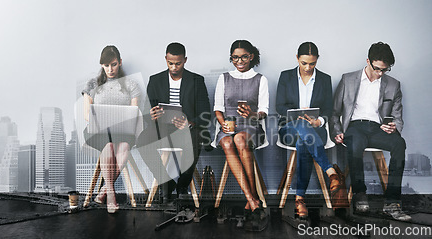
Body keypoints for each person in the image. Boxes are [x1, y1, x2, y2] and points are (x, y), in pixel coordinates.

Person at [330, 42, 411, 221]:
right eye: (377, 68)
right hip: (354, 126)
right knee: (356, 144)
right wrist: (336, 131)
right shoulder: (348, 79)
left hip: (377, 128)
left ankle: (392, 202)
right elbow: (334, 113)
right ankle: (360, 193)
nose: (380, 73)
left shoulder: (393, 85)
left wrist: (394, 126)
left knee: (400, 143)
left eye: (385, 70)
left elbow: (398, 117)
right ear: (368, 61)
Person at [276, 42, 345, 219]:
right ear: (297, 58)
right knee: (300, 127)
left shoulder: (325, 79)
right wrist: (296, 117)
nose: (308, 67)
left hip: (315, 130)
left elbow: (329, 110)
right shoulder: (285, 76)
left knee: (304, 140)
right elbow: (279, 106)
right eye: (304, 63)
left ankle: (299, 199)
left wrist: (318, 121)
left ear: (317, 60)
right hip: (289, 129)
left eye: (312, 63)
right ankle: (331, 172)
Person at [136, 42, 211, 204]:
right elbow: (145, 114)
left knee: (196, 139)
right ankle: (166, 182)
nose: (174, 67)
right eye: (170, 63)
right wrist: (152, 115)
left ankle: (183, 185)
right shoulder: (155, 80)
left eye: (178, 63)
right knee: (142, 140)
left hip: (188, 130)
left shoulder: (196, 81)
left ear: (185, 60)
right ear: (165, 59)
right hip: (162, 128)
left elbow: (206, 113)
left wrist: (189, 122)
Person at [213, 40, 268, 231]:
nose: (239, 61)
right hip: (227, 126)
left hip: (252, 127)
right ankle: (252, 200)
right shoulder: (224, 78)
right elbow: (218, 109)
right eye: (235, 57)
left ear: (251, 56)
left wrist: (252, 114)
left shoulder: (260, 79)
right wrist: (223, 125)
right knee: (228, 142)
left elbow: (263, 112)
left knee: (239, 139)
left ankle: (251, 199)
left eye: (244, 56)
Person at [82, 45, 141, 213]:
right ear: (101, 65)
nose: (110, 69)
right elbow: (87, 114)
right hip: (98, 130)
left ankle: (104, 190)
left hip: (123, 131)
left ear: (120, 62)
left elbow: (134, 113)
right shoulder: (92, 83)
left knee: (124, 146)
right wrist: (101, 121)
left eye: (113, 64)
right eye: (106, 65)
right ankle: (111, 195)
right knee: (108, 146)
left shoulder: (131, 84)